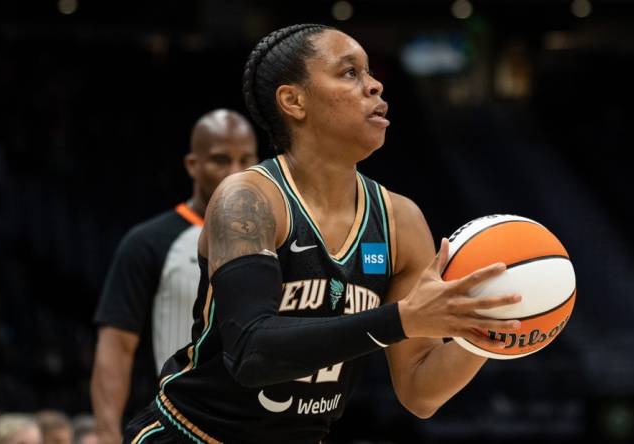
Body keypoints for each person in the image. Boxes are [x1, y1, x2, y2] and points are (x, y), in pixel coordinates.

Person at [123, 24, 523, 443]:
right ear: (293, 101)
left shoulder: (400, 220)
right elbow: (251, 353)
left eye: (370, 73)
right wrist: (400, 319)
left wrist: (484, 334)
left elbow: (420, 392)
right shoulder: (249, 199)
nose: (374, 85)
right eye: (350, 72)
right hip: (191, 434)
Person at [90, 110, 258, 444]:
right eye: (221, 160)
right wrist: (107, 433)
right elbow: (116, 348)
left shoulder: (279, 238)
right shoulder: (148, 242)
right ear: (192, 165)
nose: (235, 172)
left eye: (246, 160)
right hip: (176, 427)